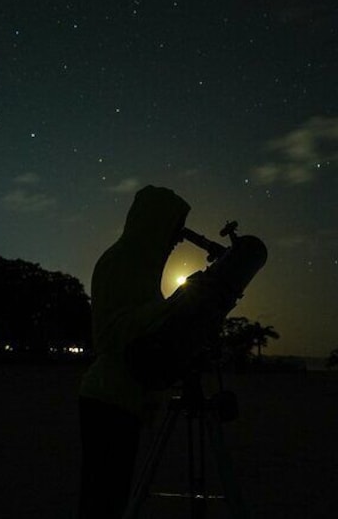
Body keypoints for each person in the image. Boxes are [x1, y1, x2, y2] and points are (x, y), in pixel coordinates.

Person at [77, 185, 231, 518]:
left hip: (124, 399)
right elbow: (113, 334)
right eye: (174, 228)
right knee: (103, 502)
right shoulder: (119, 262)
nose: (178, 238)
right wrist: (177, 304)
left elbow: (146, 327)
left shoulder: (142, 268)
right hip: (108, 400)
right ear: (154, 224)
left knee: (112, 501)